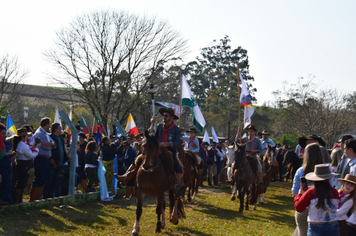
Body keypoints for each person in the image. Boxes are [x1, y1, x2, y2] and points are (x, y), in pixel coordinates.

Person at [294, 163, 340, 236]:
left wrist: (299, 195)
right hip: (333, 225)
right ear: (329, 179)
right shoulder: (334, 192)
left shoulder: (311, 192)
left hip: (316, 226)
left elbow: (299, 207)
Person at [292, 143, 324, 236]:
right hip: (322, 208)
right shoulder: (326, 171)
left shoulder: (301, 171)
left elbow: (294, 191)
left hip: (304, 207)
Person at [12, 127, 40, 203]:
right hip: (24, 165)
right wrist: (37, 149)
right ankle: (17, 200)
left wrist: (33, 147)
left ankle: (18, 199)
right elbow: (31, 155)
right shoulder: (22, 145)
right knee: (21, 183)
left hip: (22, 165)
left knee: (21, 182)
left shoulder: (20, 144)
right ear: (23, 137)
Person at [31, 117, 55, 201]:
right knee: (39, 178)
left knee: (43, 178)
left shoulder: (45, 134)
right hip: (41, 158)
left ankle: (39, 196)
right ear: (46, 124)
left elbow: (52, 143)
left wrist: (51, 144)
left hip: (46, 159)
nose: (50, 126)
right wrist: (51, 145)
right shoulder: (39, 133)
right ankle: (34, 197)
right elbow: (45, 145)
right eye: (49, 124)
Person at [43, 123, 68, 199]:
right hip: (53, 162)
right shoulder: (51, 137)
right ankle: (46, 196)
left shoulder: (60, 137)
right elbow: (48, 149)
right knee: (49, 180)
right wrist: (51, 159)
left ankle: (52, 195)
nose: (61, 130)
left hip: (59, 163)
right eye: (60, 128)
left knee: (55, 180)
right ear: (55, 129)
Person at [0, 123, 15, 205]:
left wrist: (9, 153)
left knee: (8, 182)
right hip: (1, 165)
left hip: (7, 165)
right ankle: (3, 199)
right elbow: (3, 153)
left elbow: (9, 151)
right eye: (2, 134)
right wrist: (7, 153)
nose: (4, 136)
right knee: (4, 182)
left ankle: (7, 199)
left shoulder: (5, 141)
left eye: (5, 134)